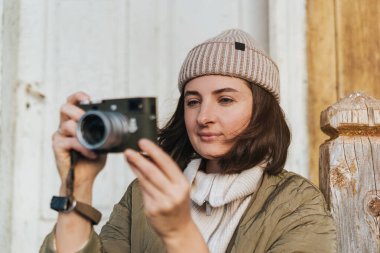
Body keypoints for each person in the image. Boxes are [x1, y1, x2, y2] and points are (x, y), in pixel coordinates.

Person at [40, 29, 336, 253]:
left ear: (262, 111)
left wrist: (180, 231)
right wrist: (78, 184)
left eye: (225, 99)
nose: (203, 116)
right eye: (193, 101)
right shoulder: (143, 195)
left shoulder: (297, 203)